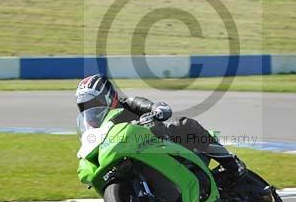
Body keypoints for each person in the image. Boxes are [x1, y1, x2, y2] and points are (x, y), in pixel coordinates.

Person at [75, 74, 245, 181]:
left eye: (93, 103)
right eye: (85, 107)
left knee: (185, 125)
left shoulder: (129, 104)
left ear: (107, 97)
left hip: (161, 145)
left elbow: (150, 106)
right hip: (135, 162)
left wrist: (156, 109)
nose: (90, 110)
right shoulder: (95, 130)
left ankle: (231, 164)